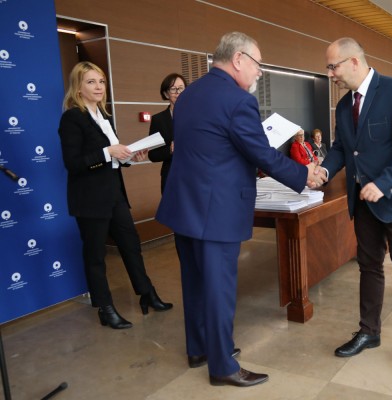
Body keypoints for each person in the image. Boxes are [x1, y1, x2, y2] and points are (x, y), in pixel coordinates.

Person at [155, 32, 326, 387]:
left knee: (195, 283)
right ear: (238, 59)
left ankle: (199, 348)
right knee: (219, 288)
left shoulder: (188, 96)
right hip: (215, 210)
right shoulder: (237, 101)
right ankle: (222, 367)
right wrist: (302, 174)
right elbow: (259, 152)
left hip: (183, 205)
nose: (260, 73)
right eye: (258, 64)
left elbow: (210, 148)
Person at [318, 37, 392, 371]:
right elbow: (342, 147)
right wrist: (324, 169)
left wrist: (383, 183)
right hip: (362, 202)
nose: (330, 74)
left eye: (332, 66)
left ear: (354, 62)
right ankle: (369, 331)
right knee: (368, 266)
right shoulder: (343, 105)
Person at [58, 62, 172, 330]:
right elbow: (72, 162)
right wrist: (108, 153)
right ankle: (104, 307)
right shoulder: (73, 117)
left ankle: (147, 293)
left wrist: (130, 155)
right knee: (96, 255)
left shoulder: (104, 116)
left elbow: (114, 156)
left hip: (115, 194)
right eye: (91, 82)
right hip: (89, 199)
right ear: (78, 87)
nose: (98, 87)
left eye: (101, 82)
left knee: (131, 246)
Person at [148, 73, 188, 193]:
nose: (178, 92)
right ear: (166, 94)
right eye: (173, 89)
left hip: (196, 174)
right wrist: (170, 150)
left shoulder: (198, 116)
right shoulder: (158, 119)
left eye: (181, 88)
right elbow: (153, 155)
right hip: (171, 176)